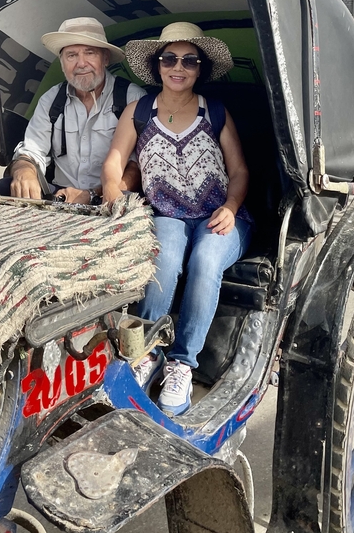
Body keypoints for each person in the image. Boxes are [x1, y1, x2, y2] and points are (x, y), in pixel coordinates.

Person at [101, 22, 253, 416]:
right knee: (163, 262)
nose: (178, 67)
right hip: (166, 214)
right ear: (158, 66)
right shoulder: (139, 112)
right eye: (170, 58)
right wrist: (116, 201)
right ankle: (147, 351)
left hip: (218, 214)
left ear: (199, 69)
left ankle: (183, 363)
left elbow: (239, 171)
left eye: (189, 60)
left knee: (205, 261)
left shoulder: (214, 111)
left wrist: (231, 208)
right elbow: (115, 163)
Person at [0, 17, 146, 204]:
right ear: (62, 62)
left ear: (105, 58)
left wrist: (92, 194)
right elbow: (33, 151)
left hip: (109, 195)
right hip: (60, 194)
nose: (81, 63)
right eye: (71, 55)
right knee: (3, 187)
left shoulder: (132, 98)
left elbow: (138, 167)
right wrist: (25, 171)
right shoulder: (51, 100)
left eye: (90, 53)